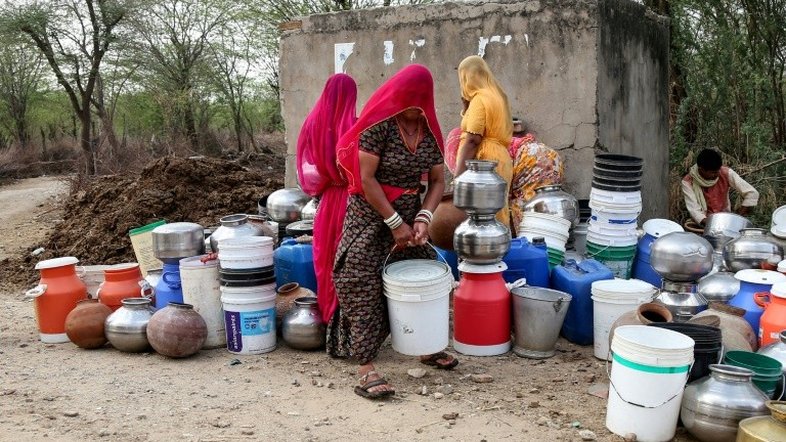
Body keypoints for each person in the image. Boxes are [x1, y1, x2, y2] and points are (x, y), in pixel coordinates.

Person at [332, 64, 458, 400]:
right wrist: (394, 224)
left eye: (422, 98)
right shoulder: (380, 128)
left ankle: (426, 345)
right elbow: (367, 178)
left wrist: (423, 217)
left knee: (424, 278)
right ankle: (366, 367)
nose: (416, 105)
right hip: (370, 215)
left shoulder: (429, 134)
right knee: (359, 279)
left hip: (408, 214)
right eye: (411, 97)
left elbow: (436, 181)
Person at [296, 73, 358, 324]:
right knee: (350, 263)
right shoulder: (355, 125)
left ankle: (328, 320)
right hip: (352, 200)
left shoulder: (312, 124)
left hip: (327, 200)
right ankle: (350, 325)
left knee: (326, 259)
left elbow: (309, 168)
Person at [454, 55, 514, 226]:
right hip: (499, 159)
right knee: (496, 212)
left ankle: (486, 252)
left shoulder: (480, 99)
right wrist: (466, 107)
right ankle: (499, 250)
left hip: (484, 162)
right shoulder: (496, 96)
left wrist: (458, 176)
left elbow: (473, 139)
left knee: (482, 217)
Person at [507, 118, 564, 229]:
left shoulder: (484, 151)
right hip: (550, 157)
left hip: (532, 162)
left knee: (528, 212)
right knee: (549, 205)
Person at [681, 148, 759, 225]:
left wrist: (737, 217)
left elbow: (752, 193)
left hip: (725, 221)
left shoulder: (725, 173)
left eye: (718, 170)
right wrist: (712, 224)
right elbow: (694, 210)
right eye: (713, 172)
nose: (717, 174)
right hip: (701, 223)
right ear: (701, 170)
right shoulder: (688, 181)